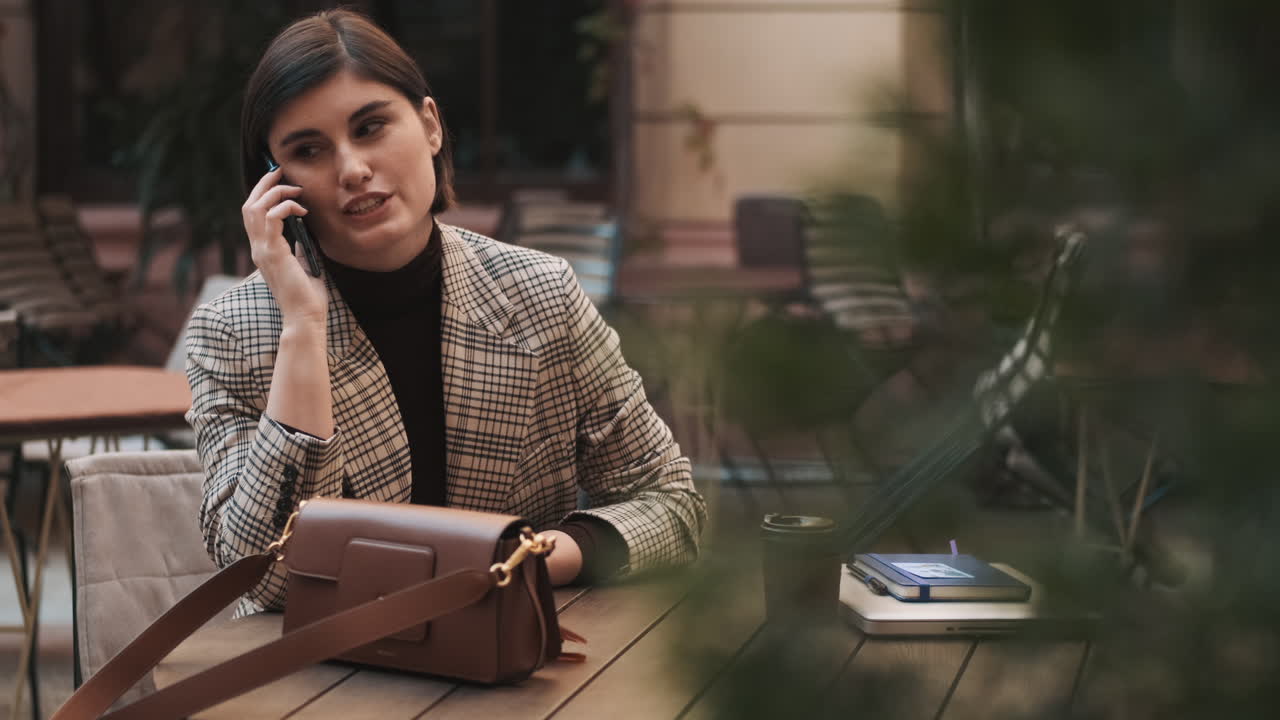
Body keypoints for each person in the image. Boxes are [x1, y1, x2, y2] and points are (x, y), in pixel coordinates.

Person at [184, 8, 705, 614]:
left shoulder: (540, 294)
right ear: (275, 187)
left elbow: (671, 504)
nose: (352, 168)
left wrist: (534, 558)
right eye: (310, 149)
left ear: (430, 125)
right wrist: (303, 327)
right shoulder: (233, 333)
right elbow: (264, 578)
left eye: (371, 126)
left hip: (517, 667)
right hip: (319, 677)